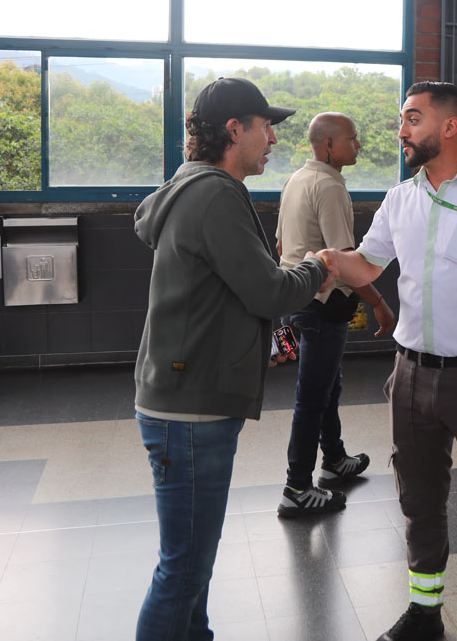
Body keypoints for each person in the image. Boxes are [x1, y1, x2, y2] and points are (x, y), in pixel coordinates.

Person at [321, 82, 457, 641]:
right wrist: (324, 261)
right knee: (419, 502)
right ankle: (425, 615)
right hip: (412, 376)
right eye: (403, 119)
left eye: (412, 118)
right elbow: (367, 267)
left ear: (449, 128)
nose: (402, 130)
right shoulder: (401, 199)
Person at [132, 76, 334, 641]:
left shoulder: (190, 185)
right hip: (190, 410)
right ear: (233, 129)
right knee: (183, 570)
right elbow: (269, 292)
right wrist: (319, 266)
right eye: (265, 125)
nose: (273, 137)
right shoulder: (217, 192)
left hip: (181, 397)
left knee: (190, 567)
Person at [274, 112, 396, 518]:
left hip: (297, 299)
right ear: (328, 145)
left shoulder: (296, 180)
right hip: (323, 306)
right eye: (352, 138)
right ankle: (297, 486)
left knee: (326, 386)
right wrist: (378, 301)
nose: (358, 145)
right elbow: (345, 261)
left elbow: (280, 245)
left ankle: (335, 457)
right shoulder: (329, 187)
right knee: (312, 397)